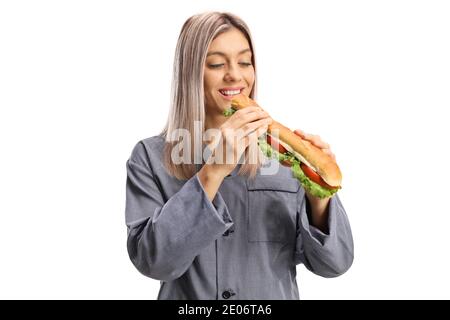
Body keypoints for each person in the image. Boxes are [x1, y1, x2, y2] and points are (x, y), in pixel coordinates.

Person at [125, 11, 354, 300]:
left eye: (245, 62)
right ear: (190, 73)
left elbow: (335, 265)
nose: (235, 74)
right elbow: (154, 262)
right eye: (217, 64)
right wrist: (213, 172)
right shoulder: (149, 157)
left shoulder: (285, 157)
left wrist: (318, 195)